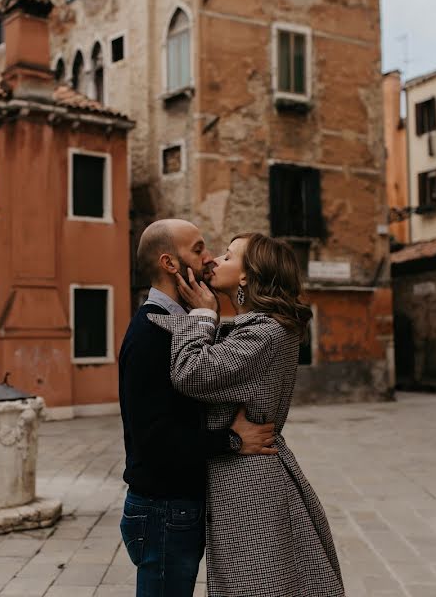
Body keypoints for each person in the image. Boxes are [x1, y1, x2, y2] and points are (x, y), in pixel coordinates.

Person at [149, 232, 346, 596]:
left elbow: (192, 373)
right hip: (246, 473)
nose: (215, 260)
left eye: (228, 256)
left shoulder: (265, 333)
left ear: (246, 276)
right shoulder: (256, 328)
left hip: (250, 486)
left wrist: (203, 313)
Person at [119, 219, 279, 596]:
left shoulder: (176, 325)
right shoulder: (150, 334)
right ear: (170, 264)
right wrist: (232, 441)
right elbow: (155, 439)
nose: (209, 259)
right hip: (163, 508)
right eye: (198, 249)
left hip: (175, 507)